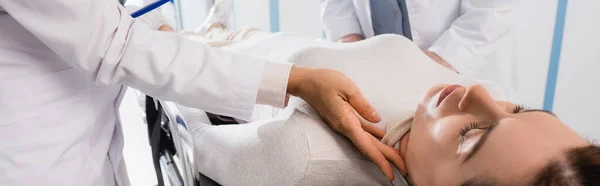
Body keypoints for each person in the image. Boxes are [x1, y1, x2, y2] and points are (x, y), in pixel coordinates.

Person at [172, 13, 599, 186]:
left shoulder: (301, 156)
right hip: (246, 37)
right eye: (519, 109)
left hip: (195, 58)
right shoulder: (454, 97)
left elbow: (196, 139)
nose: (480, 92)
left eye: (471, 135)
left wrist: (172, 51)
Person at [0, 0, 395, 185]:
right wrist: (295, 80)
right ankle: (215, 30)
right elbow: (116, 44)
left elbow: (109, 22)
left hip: (82, 136)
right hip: (36, 153)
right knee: (221, 40)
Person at [320, 0, 522, 99]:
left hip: (462, 64)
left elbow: (492, 9)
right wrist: (349, 40)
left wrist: (430, 65)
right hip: (377, 75)